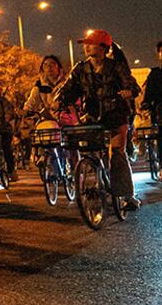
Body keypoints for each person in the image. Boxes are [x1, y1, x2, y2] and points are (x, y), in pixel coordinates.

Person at [57, 29, 139, 212]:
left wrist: (128, 91)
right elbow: (68, 89)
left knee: (117, 153)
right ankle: (97, 184)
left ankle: (127, 196)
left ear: (103, 47)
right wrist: (60, 101)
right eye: (85, 44)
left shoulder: (116, 66)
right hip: (92, 117)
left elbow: (132, 85)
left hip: (116, 115)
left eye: (90, 43)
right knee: (91, 152)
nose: (86, 47)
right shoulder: (80, 69)